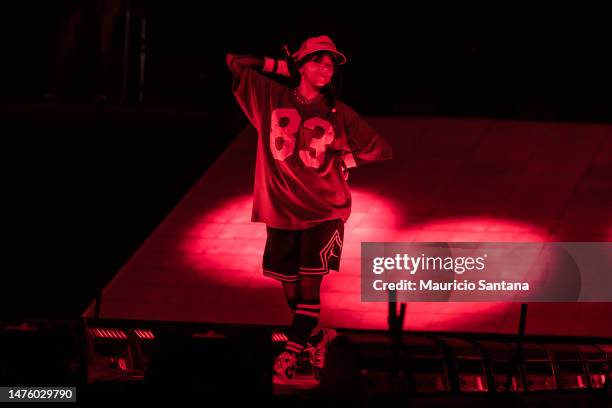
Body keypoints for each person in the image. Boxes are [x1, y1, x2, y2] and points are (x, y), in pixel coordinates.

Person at [226, 35, 392, 384]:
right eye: (318, 61)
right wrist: (280, 66)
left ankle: (288, 358)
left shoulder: (339, 112)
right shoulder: (272, 97)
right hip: (281, 209)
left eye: (331, 64)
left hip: (324, 209)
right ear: (300, 64)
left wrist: (347, 158)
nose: (326, 68)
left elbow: (380, 149)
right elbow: (235, 63)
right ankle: (319, 338)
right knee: (291, 292)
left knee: (308, 290)